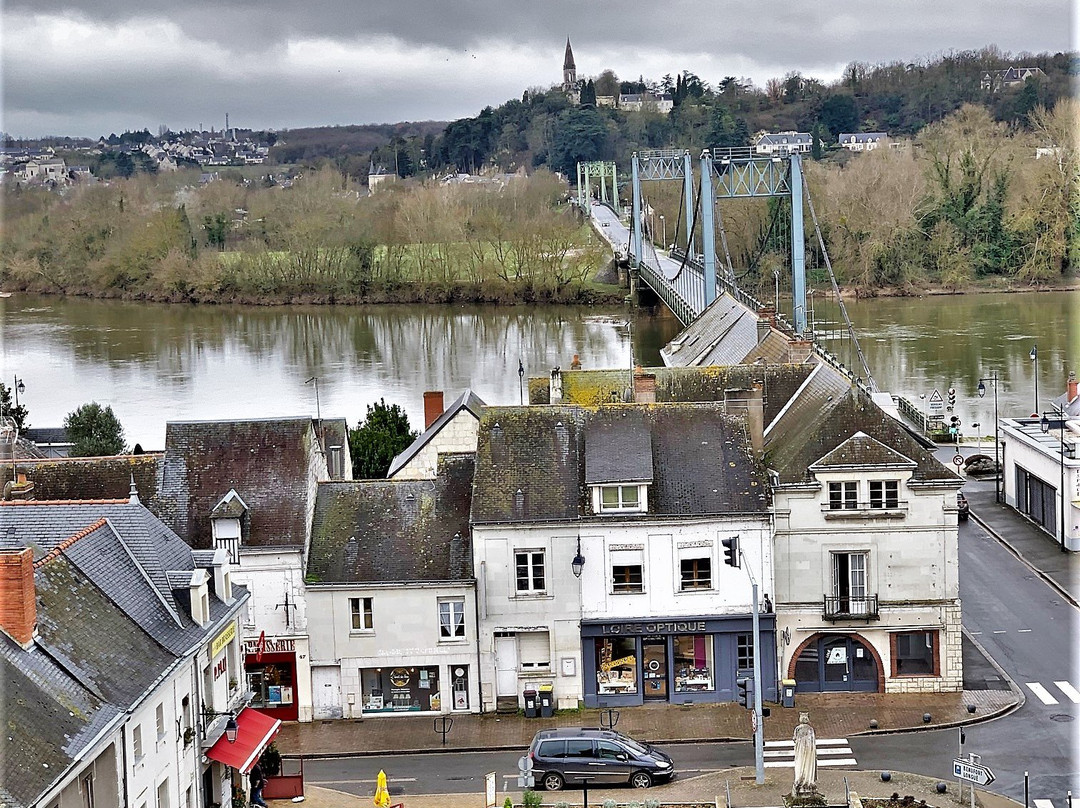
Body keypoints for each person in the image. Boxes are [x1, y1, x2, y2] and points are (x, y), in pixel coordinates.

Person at [792, 711, 817, 795]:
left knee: (800, 765)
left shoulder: (798, 729)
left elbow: (794, 739)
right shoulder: (811, 729)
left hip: (800, 751)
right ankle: (808, 782)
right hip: (809, 751)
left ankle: (800, 782)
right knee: (808, 765)